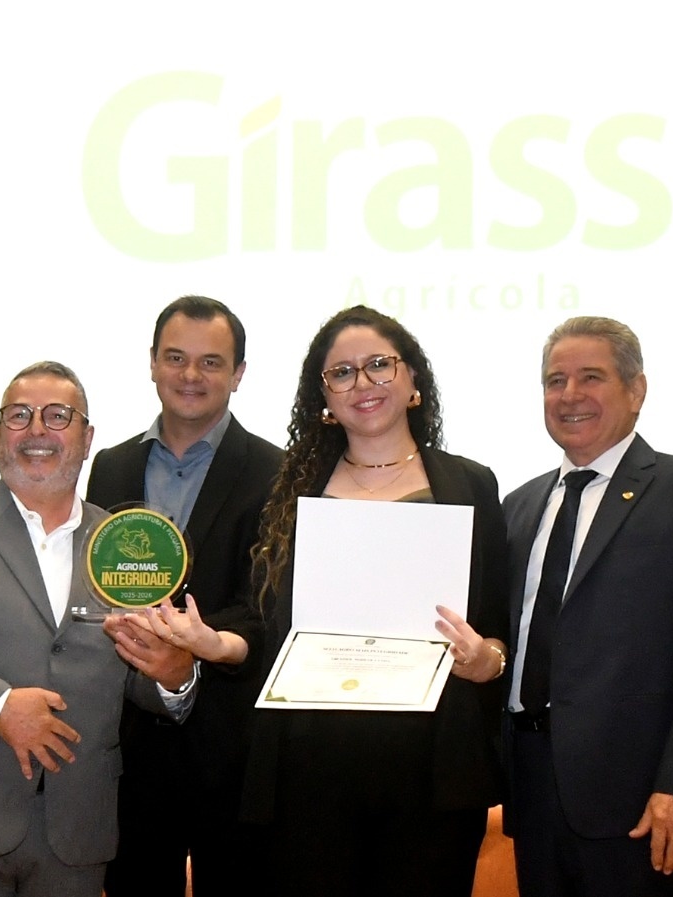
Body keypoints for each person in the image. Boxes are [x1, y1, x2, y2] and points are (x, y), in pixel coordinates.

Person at [0, 361, 198, 896]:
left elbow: (143, 676)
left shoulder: (128, 543)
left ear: (87, 438)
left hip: (78, 828)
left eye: (58, 416)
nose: (37, 429)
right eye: (19, 415)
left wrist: (174, 675)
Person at [227, 305, 508, 897]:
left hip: (432, 769)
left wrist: (487, 660)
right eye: (342, 373)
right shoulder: (286, 492)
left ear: (412, 379)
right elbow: (262, 622)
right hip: (310, 765)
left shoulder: (472, 484)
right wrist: (216, 642)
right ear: (323, 397)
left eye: (380, 364)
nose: (364, 383)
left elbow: (497, 624)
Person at [502, 315, 673, 896]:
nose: (570, 395)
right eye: (555, 380)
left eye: (591, 377)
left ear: (637, 391)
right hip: (531, 788)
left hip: (641, 800)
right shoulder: (519, 505)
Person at [87, 296, 283, 896]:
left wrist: (195, 646)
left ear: (238, 374)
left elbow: (269, 605)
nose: (190, 375)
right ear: (152, 362)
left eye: (211, 362)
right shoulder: (110, 466)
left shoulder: (278, 471)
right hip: (129, 743)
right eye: (175, 358)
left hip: (232, 742)